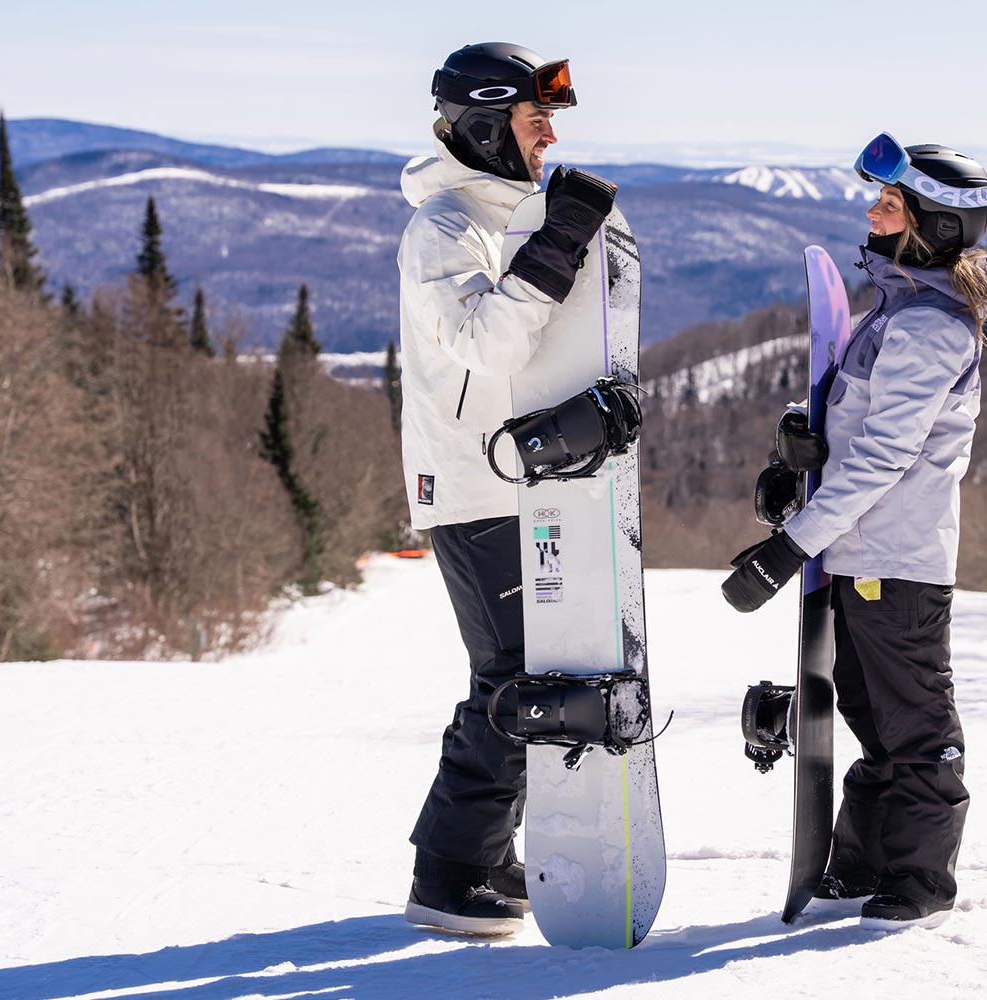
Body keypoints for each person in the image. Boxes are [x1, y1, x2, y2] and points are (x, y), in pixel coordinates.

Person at [721, 133, 987, 931]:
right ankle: (862, 861)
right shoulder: (897, 309)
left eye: (888, 204)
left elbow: (887, 457)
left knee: (916, 725)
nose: (870, 211)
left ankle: (920, 881)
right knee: (868, 716)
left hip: (899, 560)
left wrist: (791, 546)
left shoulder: (929, 326)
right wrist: (799, 455)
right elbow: (862, 430)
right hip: (859, 554)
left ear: (931, 226)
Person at [395, 42, 617, 935]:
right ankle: (449, 874)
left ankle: (485, 852)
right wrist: (562, 236)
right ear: (489, 124)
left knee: (526, 669)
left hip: (509, 476)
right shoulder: (443, 229)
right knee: (512, 675)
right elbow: (489, 344)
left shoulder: (495, 215)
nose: (550, 136)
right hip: (469, 484)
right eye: (536, 120)